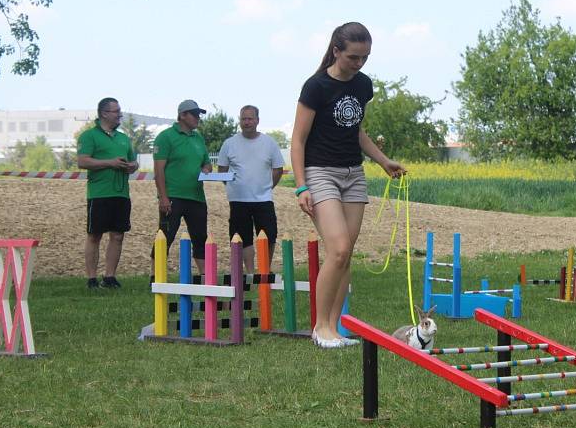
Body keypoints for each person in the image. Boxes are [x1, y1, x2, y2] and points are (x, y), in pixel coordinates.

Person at [291, 22, 405, 349]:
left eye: (365, 57)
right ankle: (320, 327)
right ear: (336, 50)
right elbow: (297, 141)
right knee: (338, 249)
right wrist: (301, 187)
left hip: (353, 173)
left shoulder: (363, 85)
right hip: (320, 172)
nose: (359, 64)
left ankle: (334, 329)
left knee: (345, 255)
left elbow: (355, 130)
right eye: (353, 57)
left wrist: (383, 162)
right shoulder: (316, 86)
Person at [77, 97, 139, 289]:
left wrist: (131, 166)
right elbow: (83, 161)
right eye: (116, 111)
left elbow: (134, 162)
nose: (119, 114)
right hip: (99, 193)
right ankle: (92, 278)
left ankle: (110, 277)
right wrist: (110, 163)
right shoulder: (89, 136)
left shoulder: (123, 138)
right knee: (95, 235)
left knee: (118, 235)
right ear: (104, 113)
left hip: (121, 194)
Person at [217, 105, 284, 274]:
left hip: (263, 199)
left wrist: (268, 187)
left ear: (257, 120)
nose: (246, 122)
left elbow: (277, 169)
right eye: (243, 119)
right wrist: (234, 187)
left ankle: (265, 271)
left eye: (250, 118)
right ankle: (250, 273)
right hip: (238, 200)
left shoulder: (269, 143)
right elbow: (222, 171)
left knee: (269, 235)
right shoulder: (229, 143)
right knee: (243, 238)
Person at [152, 99, 212, 273]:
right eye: (194, 114)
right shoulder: (165, 137)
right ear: (182, 115)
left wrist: (206, 169)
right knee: (165, 235)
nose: (197, 118)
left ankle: (204, 276)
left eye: (199, 114)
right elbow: (159, 170)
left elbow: (207, 163)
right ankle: (155, 276)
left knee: (200, 237)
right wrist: (163, 197)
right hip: (173, 197)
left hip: (196, 196)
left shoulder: (198, 137)